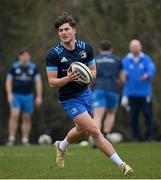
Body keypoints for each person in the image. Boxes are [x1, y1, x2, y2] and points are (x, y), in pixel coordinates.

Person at [46, 13, 133, 176]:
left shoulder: (86, 49)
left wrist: (88, 76)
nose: (63, 33)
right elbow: (51, 82)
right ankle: (122, 165)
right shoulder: (54, 54)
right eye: (60, 30)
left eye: (66, 29)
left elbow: (93, 71)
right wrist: (68, 78)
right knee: (94, 130)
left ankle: (61, 146)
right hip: (69, 99)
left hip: (85, 93)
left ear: (74, 30)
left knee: (82, 130)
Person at [121, 39, 156, 142]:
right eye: (133, 47)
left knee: (148, 116)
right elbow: (122, 73)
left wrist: (147, 74)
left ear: (140, 47)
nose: (135, 48)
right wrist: (122, 76)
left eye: (137, 46)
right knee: (133, 117)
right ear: (130, 48)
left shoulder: (146, 59)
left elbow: (151, 69)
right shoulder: (126, 60)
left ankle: (150, 137)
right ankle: (136, 138)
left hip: (145, 93)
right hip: (131, 93)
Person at [6, 49, 42, 146]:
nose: (26, 58)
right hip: (16, 95)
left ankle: (25, 140)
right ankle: (11, 138)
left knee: (26, 117)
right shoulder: (14, 67)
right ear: (20, 57)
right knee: (14, 115)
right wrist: (9, 94)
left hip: (28, 95)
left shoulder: (33, 68)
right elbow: (9, 81)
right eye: (24, 56)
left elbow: (38, 82)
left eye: (27, 56)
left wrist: (39, 96)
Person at [92, 40, 122, 139]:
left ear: (99, 50)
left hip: (99, 89)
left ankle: (97, 138)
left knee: (98, 115)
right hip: (112, 90)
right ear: (111, 50)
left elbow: (91, 76)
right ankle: (104, 135)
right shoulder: (117, 59)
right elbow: (122, 77)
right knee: (111, 113)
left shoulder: (95, 59)